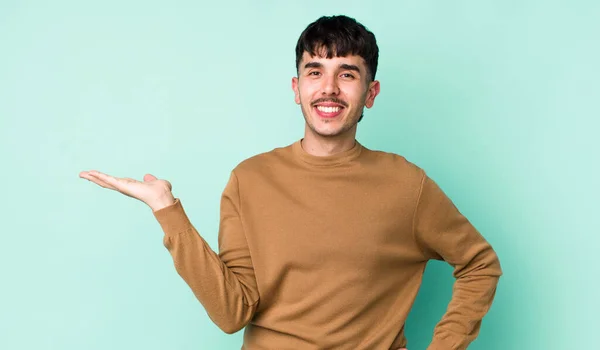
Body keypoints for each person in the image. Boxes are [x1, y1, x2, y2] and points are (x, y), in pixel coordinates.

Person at [80, 15, 502, 350]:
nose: (330, 89)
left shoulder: (407, 186)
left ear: (370, 93)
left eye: (348, 74)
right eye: (315, 72)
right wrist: (166, 210)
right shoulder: (250, 179)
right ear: (297, 88)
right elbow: (232, 313)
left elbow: (480, 264)